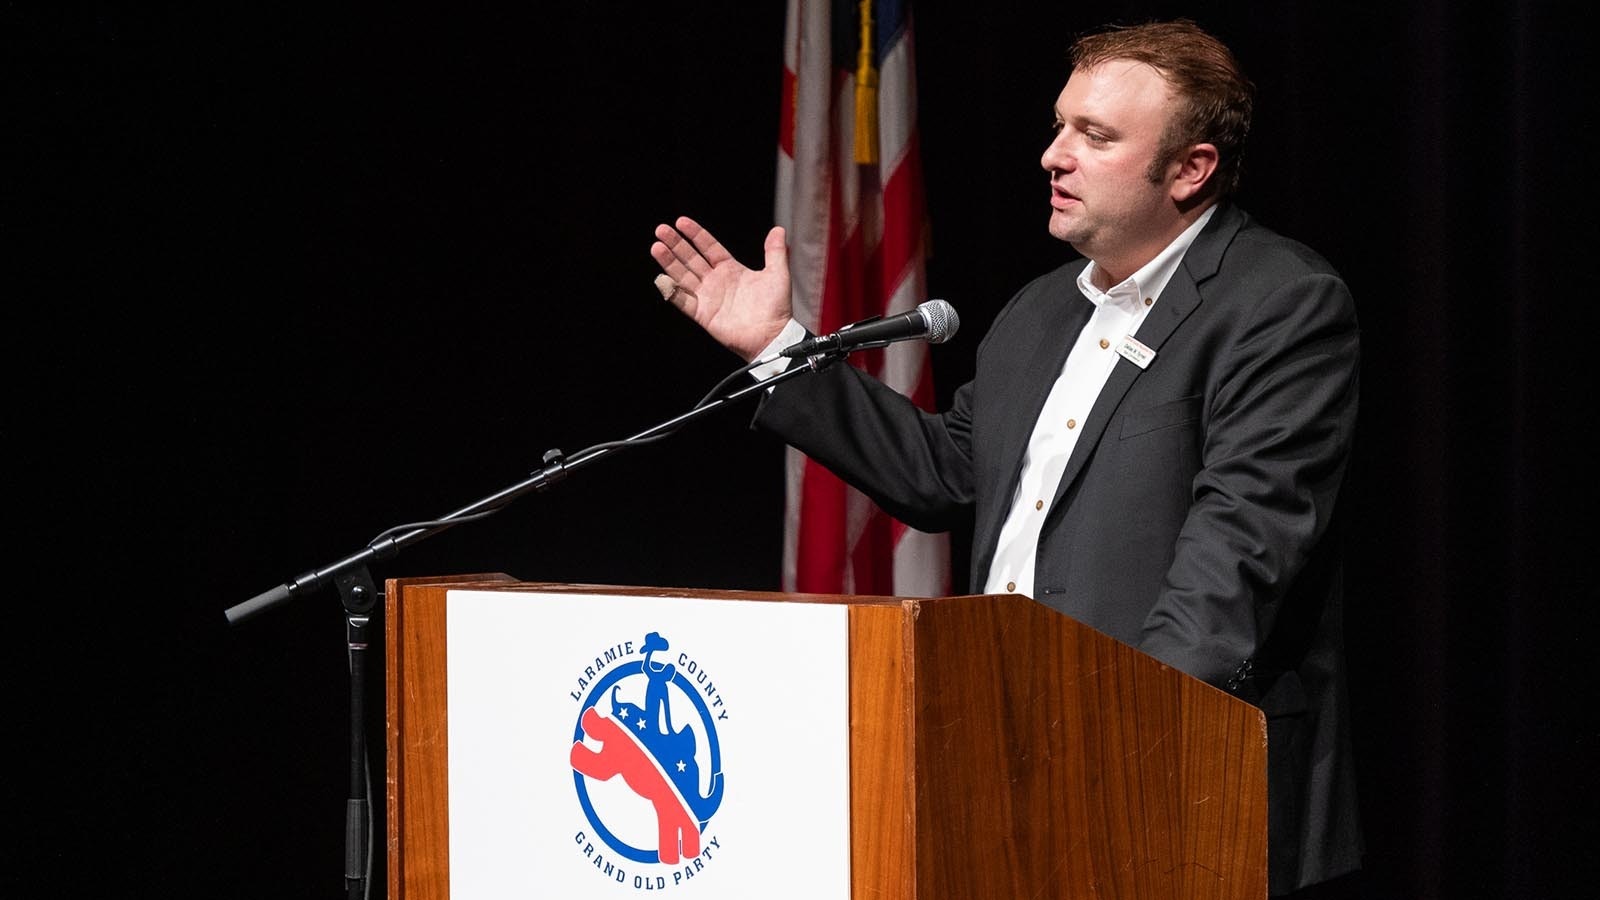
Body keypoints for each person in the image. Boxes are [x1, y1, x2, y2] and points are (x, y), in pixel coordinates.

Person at [650, 19, 1361, 897]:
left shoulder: (1278, 305)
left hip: (1171, 774)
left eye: (1095, 137)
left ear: (1191, 169)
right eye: (1061, 125)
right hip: (1005, 757)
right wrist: (777, 348)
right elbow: (944, 472)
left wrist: (1124, 745)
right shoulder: (1040, 310)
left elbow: (1238, 552)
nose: (1052, 156)